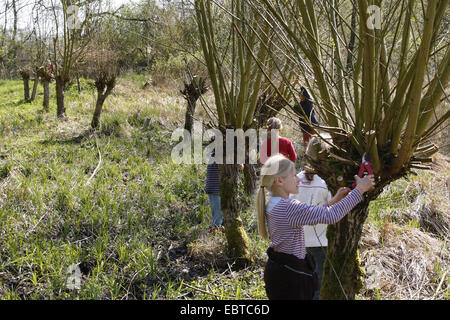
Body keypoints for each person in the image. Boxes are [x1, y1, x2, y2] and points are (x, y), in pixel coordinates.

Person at [256, 154, 375, 300]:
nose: (299, 179)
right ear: (279, 180)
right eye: (294, 176)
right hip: (291, 278)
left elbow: (308, 214)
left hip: (280, 271)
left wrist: (332, 202)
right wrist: (360, 190)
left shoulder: (274, 204)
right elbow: (330, 216)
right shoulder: (288, 207)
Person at [289, 165, 346, 300]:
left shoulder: (296, 179)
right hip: (319, 241)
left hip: (297, 242)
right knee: (318, 284)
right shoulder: (325, 181)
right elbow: (330, 210)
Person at [293, 84, 318, 149]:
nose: (300, 97)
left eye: (302, 95)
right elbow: (298, 113)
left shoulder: (309, 101)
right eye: (300, 96)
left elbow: (306, 92)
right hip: (304, 127)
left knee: (314, 142)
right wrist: (295, 104)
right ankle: (307, 155)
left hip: (311, 125)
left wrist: (299, 84)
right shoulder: (300, 104)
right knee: (306, 143)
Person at [205, 150, 223, 234]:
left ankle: (216, 233)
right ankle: (215, 236)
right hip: (216, 188)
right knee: (218, 216)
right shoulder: (219, 153)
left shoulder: (212, 152)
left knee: (216, 214)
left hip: (212, 188)